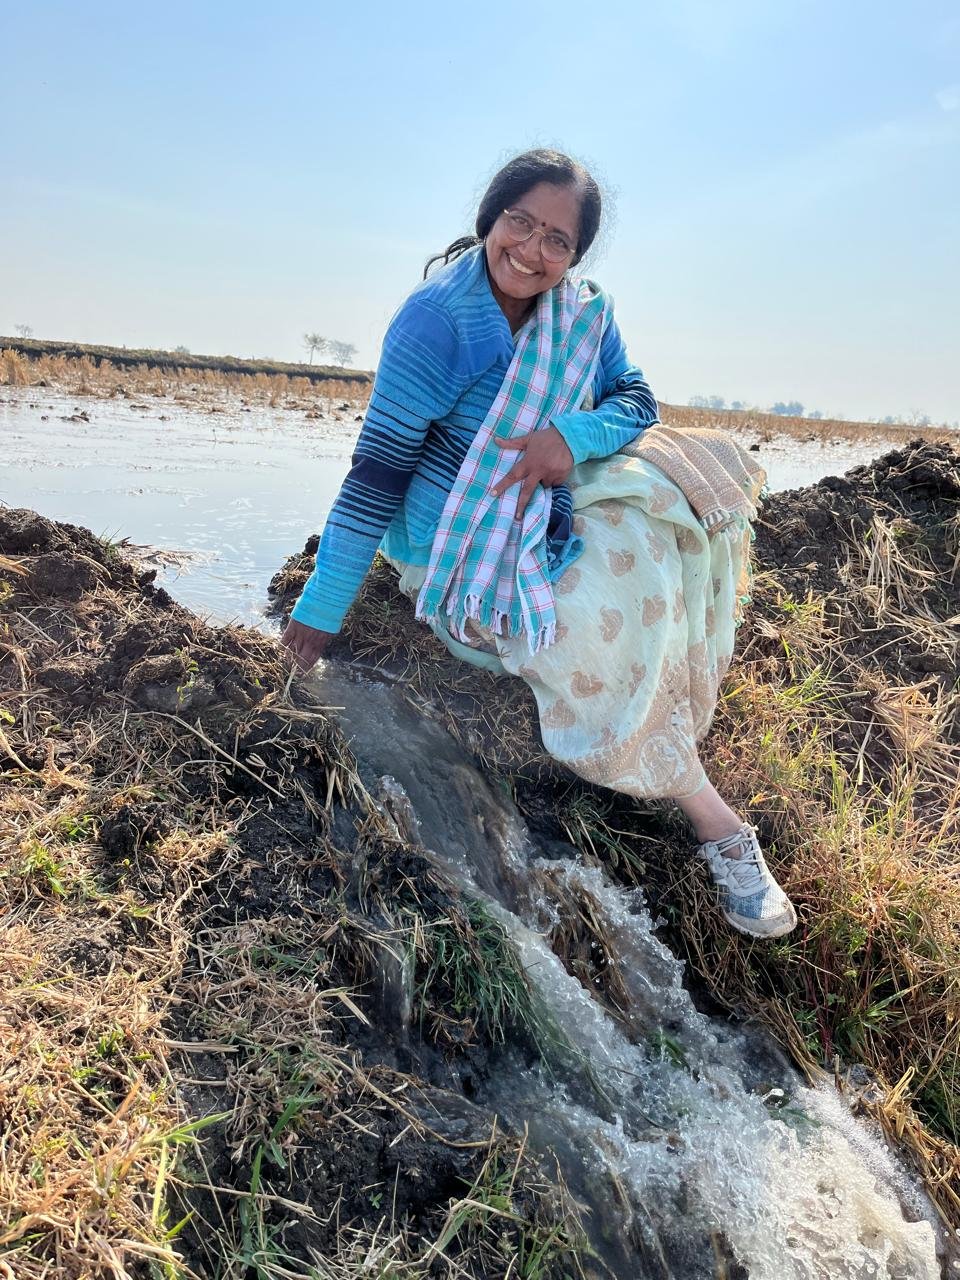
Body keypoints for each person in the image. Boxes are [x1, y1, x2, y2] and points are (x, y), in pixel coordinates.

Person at [282, 149, 797, 940]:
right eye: (519, 221)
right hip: (455, 526)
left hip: (545, 488)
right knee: (584, 625)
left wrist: (569, 434)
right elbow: (376, 475)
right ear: (489, 217)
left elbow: (636, 400)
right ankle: (719, 826)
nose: (531, 249)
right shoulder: (437, 323)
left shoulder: (582, 314)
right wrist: (319, 612)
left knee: (668, 515)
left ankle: (673, 705)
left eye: (558, 238)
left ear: (576, 256)